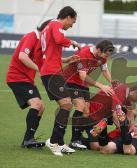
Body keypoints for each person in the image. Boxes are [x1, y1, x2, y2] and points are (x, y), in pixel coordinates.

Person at [40, 6, 81, 156]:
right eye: (73, 21)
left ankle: (60, 143)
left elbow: (51, 52)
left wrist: (67, 59)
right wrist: (73, 42)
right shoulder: (55, 23)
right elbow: (59, 39)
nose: (72, 25)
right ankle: (53, 142)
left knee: (67, 105)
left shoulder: (48, 27)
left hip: (53, 71)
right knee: (67, 104)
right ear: (68, 17)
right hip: (51, 73)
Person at [62, 40, 115, 149]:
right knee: (80, 106)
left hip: (82, 84)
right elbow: (83, 76)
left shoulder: (103, 56)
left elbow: (104, 70)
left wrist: (112, 82)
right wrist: (101, 86)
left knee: (86, 111)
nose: (106, 57)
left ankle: (78, 138)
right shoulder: (84, 54)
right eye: (106, 54)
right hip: (70, 81)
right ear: (99, 50)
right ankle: (74, 140)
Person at [6, 19, 50, 148]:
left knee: (41, 107)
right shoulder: (32, 36)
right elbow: (22, 56)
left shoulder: (41, 42)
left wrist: (66, 60)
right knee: (36, 104)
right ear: (47, 30)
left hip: (27, 79)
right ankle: (28, 140)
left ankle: (28, 140)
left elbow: (46, 59)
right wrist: (40, 70)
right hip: (17, 77)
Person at [70, 82, 137, 151]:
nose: (136, 102)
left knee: (130, 113)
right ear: (134, 93)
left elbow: (130, 112)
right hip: (93, 114)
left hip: (104, 116)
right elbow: (115, 115)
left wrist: (132, 126)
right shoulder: (120, 93)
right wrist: (123, 130)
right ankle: (80, 138)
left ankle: (106, 138)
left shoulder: (127, 93)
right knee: (95, 147)